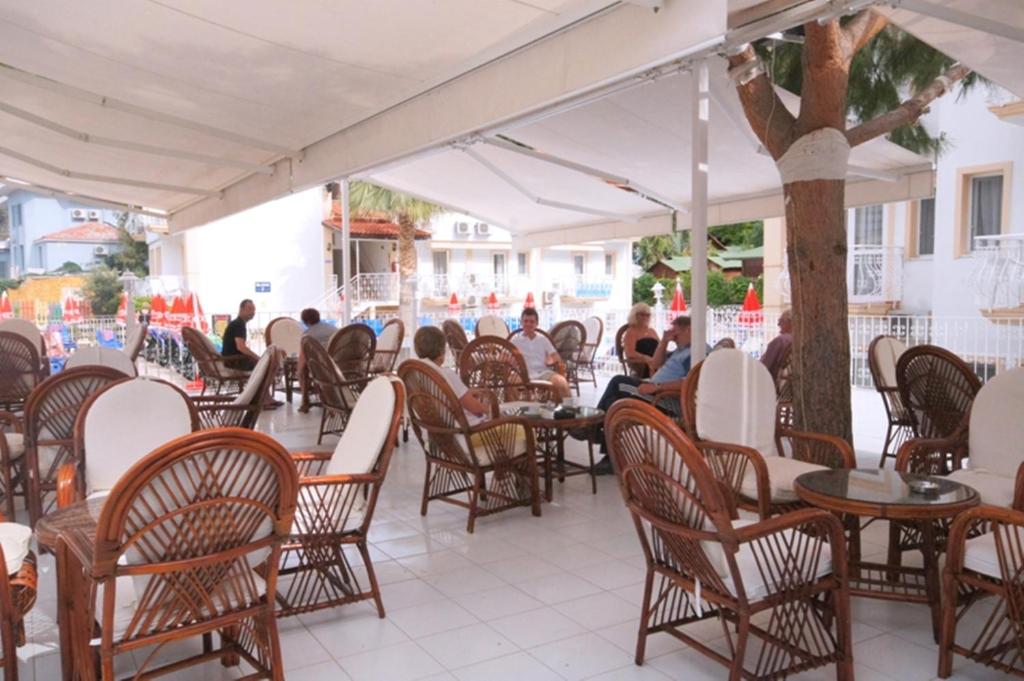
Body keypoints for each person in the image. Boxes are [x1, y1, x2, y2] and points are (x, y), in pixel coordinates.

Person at [589, 315, 699, 473]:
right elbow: (655, 363)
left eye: (675, 332)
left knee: (618, 383)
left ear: (688, 330)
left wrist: (656, 387)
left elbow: (690, 383)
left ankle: (594, 429)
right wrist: (664, 341)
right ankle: (609, 455)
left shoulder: (695, 353)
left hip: (664, 400)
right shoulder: (680, 351)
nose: (672, 335)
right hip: (655, 392)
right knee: (614, 401)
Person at [414, 326, 490, 425]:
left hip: (437, 427)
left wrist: (466, 392)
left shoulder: (416, 374)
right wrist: (490, 409)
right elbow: (474, 407)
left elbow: (446, 395)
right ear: (441, 351)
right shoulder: (447, 375)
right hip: (467, 429)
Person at [221, 298, 283, 407]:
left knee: (267, 364)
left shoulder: (238, 323)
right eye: (249, 309)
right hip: (234, 361)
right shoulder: (238, 324)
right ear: (241, 309)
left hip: (234, 359)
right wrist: (258, 358)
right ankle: (264, 398)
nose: (252, 312)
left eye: (253, 310)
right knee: (267, 366)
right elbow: (241, 347)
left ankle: (264, 397)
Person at [510, 308, 571, 399]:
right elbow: (506, 357)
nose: (528, 324)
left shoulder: (543, 339)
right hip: (522, 374)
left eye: (532, 322)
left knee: (561, 382)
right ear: (521, 322)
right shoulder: (515, 340)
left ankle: (566, 407)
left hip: (542, 372)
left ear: (536, 324)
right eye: (525, 321)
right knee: (510, 383)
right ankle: (515, 407)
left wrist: (553, 362)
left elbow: (555, 356)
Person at [297, 308, 336, 413]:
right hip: (339, 364)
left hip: (321, 367)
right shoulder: (333, 329)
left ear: (305, 321)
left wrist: (298, 372)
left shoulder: (307, 335)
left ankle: (305, 401)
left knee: (302, 370)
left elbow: (303, 357)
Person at [621, 303, 660, 378]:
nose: (645, 317)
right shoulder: (631, 332)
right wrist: (645, 358)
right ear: (635, 315)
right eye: (642, 314)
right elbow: (630, 353)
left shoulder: (652, 331)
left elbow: (661, 347)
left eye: (648, 315)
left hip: (657, 361)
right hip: (643, 364)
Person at [760, 309, 792, 381]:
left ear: (790, 323)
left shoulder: (781, 341)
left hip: (769, 380)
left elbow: (763, 366)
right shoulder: (795, 339)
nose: (778, 324)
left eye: (781, 321)